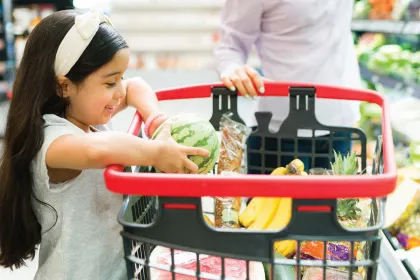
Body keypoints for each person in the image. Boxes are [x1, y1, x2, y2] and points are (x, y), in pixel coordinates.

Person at [0, 9, 209, 280]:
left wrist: (156, 121)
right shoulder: (52, 141)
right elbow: (97, 149)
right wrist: (156, 152)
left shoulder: (89, 113)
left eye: (120, 77)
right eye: (110, 81)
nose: (120, 90)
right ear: (64, 87)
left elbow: (137, 86)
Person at [214, 0, 361, 172]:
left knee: (337, 199)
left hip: (341, 122)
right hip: (279, 133)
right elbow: (230, 46)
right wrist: (234, 70)